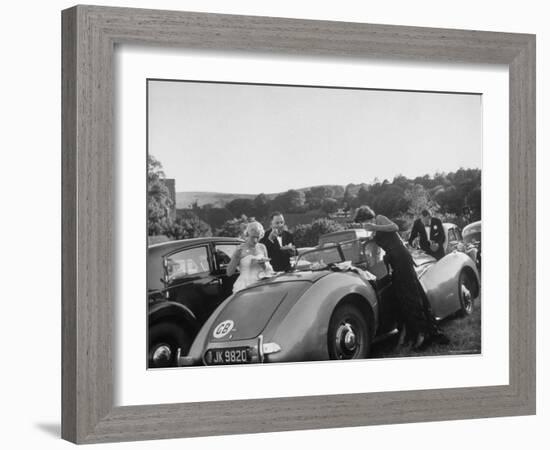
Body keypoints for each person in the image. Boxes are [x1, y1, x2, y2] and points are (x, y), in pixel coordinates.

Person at [355, 205, 449, 350]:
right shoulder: (374, 230)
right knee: (406, 295)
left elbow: (394, 227)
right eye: (361, 224)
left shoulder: (379, 219)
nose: (362, 225)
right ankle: (417, 333)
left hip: (402, 257)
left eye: (362, 222)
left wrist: (374, 226)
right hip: (395, 261)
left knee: (411, 295)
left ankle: (425, 334)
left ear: (366, 217)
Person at [227, 221, 273, 293]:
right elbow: (229, 273)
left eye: (257, 237)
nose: (255, 240)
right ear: (247, 234)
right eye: (253, 237)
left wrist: (263, 265)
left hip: (261, 285)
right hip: (245, 287)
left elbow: (269, 271)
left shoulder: (262, 247)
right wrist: (236, 257)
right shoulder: (240, 249)